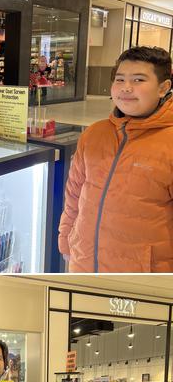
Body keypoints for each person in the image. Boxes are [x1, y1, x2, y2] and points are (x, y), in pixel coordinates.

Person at [59, 46, 173, 272]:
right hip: (83, 263)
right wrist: (66, 239)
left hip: (142, 275)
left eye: (139, 80)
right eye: (120, 80)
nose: (126, 88)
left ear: (163, 88)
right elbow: (74, 194)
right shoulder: (94, 134)